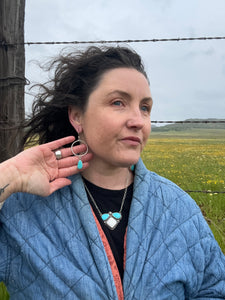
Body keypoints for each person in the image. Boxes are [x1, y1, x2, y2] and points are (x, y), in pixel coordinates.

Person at [0, 46, 225, 300]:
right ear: (77, 116)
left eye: (145, 108)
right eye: (118, 102)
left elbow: (214, 289)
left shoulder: (179, 209)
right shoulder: (23, 210)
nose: (138, 120)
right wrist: (9, 174)